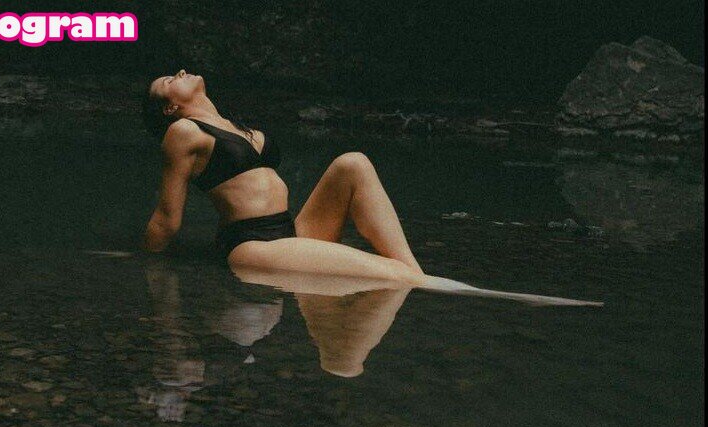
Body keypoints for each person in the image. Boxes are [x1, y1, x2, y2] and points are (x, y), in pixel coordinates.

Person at [141, 69, 602, 307]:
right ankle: (462, 291)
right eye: (168, 81)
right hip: (252, 245)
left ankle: (415, 275)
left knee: (353, 163)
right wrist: (143, 269)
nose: (178, 73)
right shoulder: (182, 133)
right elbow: (167, 219)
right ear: (169, 108)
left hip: (289, 231)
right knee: (390, 277)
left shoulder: (232, 124)